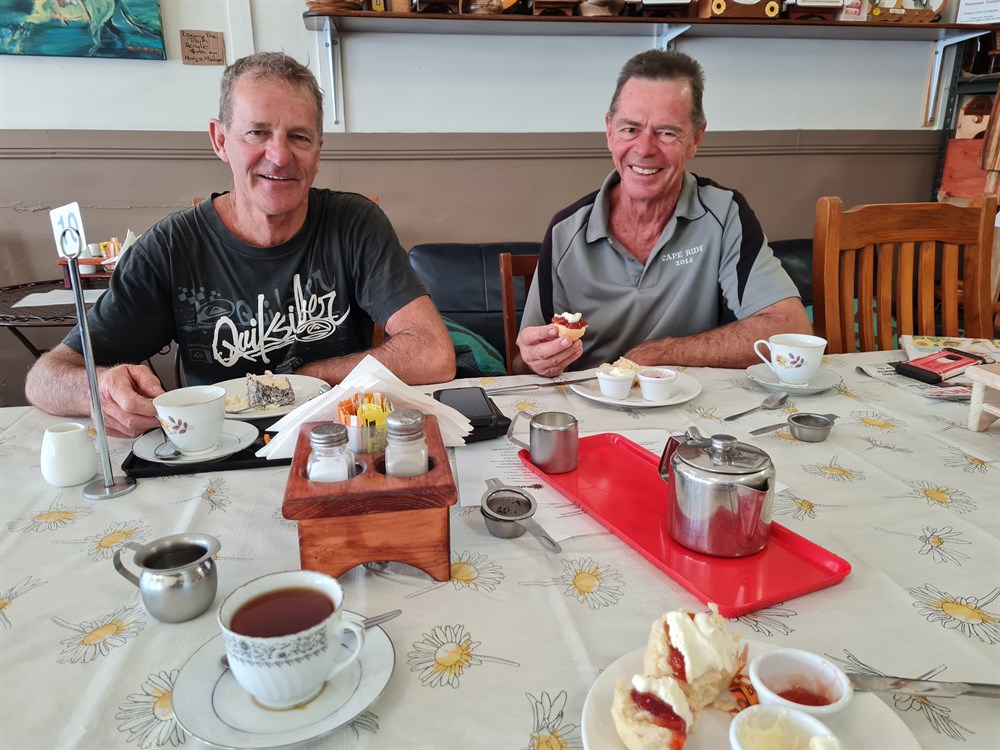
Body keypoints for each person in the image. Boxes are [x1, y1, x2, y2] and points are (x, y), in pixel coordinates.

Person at [25, 52, 455, 437]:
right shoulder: (170, 248)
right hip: (217, 452)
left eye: (299, 137)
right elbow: (45, 378)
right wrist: (100, 389)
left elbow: (434, 353)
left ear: (318, 153)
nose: (280, 156)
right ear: (220, 140)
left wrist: (312, 376)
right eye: (257, 132)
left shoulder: (354, 223)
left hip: (333, 444)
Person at [515, 50, 811, 377]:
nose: (644, 149)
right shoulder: (565, 230)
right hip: (589, 402)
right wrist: (535, 359)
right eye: (630, 129)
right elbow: (520, 366)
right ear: (609, 131)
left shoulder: (725, 214)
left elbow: (791, 330)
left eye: (667, 132)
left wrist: (660, 353)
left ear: (696, 138)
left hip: (692, 403)